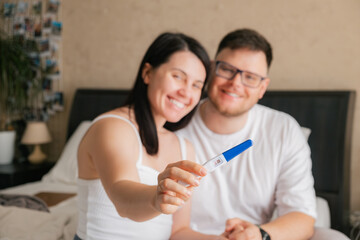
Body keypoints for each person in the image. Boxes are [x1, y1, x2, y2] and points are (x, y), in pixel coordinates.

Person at [177, 28, 350, 240]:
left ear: (262, 87)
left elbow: (302, 216)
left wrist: (259, 234)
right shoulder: (175, 120)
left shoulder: (283, 130)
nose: (235, 83)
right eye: (227, 70)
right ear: (211, 70)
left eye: (250, 77)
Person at [74, 32, 216, 240]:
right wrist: (156, 197)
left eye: (196, 85)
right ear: (147, 73)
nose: (186, 92)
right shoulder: (112, 127)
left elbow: (177, 232)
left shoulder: (184, 147)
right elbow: (123, 200)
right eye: (178, 76)